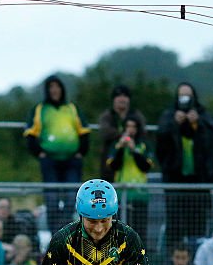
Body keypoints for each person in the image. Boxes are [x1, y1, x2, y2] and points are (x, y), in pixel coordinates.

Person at [155, 82, 213, 251]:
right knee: (175, 225)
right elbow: (160, 141)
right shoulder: (168, 116)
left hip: (199, 181)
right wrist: (174, 124)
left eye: (188, 96)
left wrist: (198, 123)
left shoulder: (203, 115)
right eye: (181, 96)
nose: (185, 100)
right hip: (175, 180)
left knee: (197, 227)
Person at [24, 75, 91, 233]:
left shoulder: (72, 108)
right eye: (51, 87)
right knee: (52, 200)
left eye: (57, 86)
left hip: (72, 161)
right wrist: (39, 152)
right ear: (47, 90)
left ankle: (66, 233)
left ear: (62, 89)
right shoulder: (40, 109)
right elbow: (30, 133)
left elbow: (84, 131)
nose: (55, 90)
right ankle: (55, 236)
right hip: (49, 161)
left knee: (71, 198)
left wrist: (81, 152)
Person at [105, 114, 155, 239]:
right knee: (120, 232)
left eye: (133, 126)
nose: (130, 129)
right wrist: (121, 149)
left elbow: (146, 166)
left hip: (140, 194)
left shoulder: (144, 145)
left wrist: (135, 151)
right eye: (127, 126)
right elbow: (113, 166)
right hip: (121, 194)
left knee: (140, 232)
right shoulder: (117, 145)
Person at [98, 84, 146, 181]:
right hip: (110, 163)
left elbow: (143, 132)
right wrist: (124, 135)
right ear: (113, 99)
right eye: (119, 96)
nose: (122, 99)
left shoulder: (137, 115)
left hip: (134, 166)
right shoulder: (107, 116)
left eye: (125, 96)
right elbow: (105, 132)